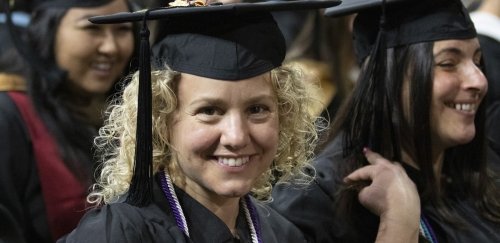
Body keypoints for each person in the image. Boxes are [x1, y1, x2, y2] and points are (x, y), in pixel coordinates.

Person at [60, 0, 421, 242]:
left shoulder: (278, 234)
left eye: (257, 109)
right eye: (210, 111)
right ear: (161, 119)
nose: (236, 136)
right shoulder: (118, 234)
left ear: (286, 115)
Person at [270, 0, 500, 242]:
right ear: (386, 78)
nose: (479, 80)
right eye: (448, 64)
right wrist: (398, 224)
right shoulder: (318, 202)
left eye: (477, 61)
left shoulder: (483, 176)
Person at [0, 0, 136, 242]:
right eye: (92, 28)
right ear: (47, 31)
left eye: (123, 29)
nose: (111, 47)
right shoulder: (8, 115)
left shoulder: (122, 117)